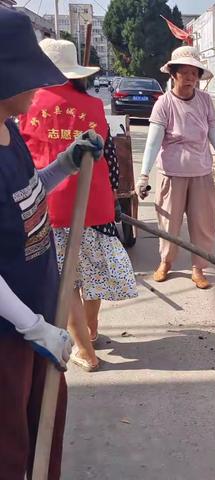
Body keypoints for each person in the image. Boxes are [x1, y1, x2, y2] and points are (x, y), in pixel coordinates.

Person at [0, 8, 104, 479]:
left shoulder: (11, 132)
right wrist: (32, 328)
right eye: (29, 78)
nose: (38, 90)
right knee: (9, 448)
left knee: (44, 432)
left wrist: (64, 164)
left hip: (40, 317)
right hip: (10, 334)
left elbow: (28, 194)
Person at [19, 38, 138, 372]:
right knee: (92, 272)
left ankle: (84, 349)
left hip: (50, 205)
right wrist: (113, 197)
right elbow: (110, 160)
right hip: (93, 204)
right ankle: (91, 331)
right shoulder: (94, 106)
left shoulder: (25, 105)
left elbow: (23, 163)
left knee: (65, 279)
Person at [135, 46, 215, 289]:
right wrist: (144, 174)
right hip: (172, 174)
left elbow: (214, 132)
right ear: (173, 74)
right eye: (185, 72)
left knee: (203, 223)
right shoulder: (164, 104)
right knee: (169, 222)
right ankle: (166, 262)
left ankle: (198, 268)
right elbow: (153, 141)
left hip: (201, 173)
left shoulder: (205, 101)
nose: (190, 78)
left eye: (195, 73)